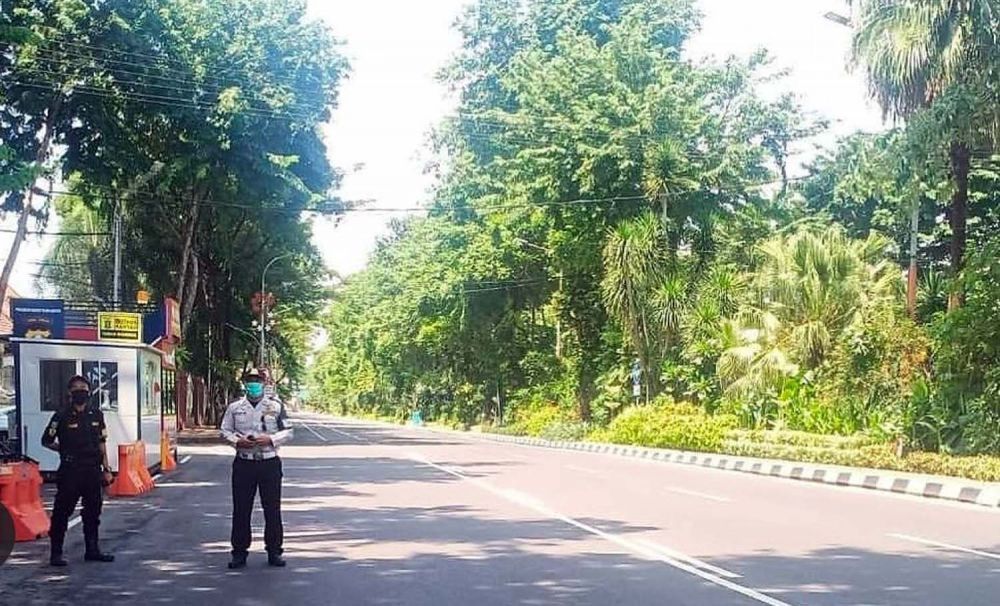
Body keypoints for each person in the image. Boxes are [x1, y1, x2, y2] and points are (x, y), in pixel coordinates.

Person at [220, 368, 293, 569]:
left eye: (257, 380)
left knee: (272, 509)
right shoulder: (235, 407)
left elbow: (288, 431)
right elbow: (224, 430)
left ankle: (274, 551)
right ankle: (239, 553)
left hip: (269, 462)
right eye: (250, 380)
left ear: (264, 382)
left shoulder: (275, 407)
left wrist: (270, 438)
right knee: (241, 510)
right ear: (244, 383)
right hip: (244, 463)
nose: (254, 384)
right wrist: (237, 441)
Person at [41, 375, 115, 567]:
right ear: (70, 393)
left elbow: (102, 443)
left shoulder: (96, 415)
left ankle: (92, 550)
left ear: (89, 391)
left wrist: (107, 469)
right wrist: (64, 450)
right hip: (70, 471)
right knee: (62, 512)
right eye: (76, 388)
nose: (80, 391)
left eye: (83, 388)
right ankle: (56, 553)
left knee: (93, 512)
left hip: (92, 471)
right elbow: (46, 441)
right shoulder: (61, 416)